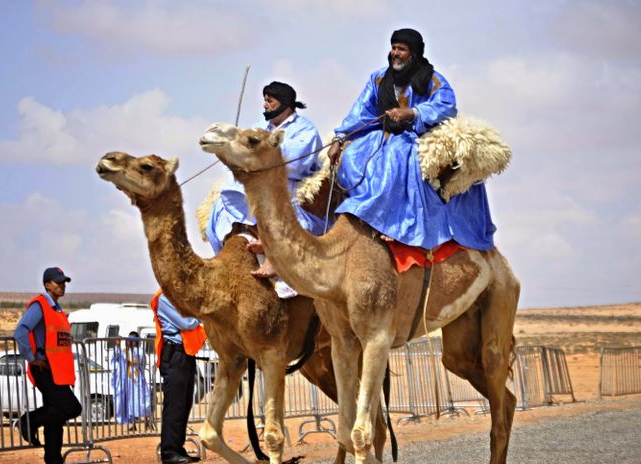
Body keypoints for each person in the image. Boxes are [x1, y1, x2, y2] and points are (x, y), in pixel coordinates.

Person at [327, 28, 496, 252]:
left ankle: (392, 224)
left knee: (395, 158)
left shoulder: (432, 79)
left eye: (402, 49)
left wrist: (413, 113)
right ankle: (364, 215)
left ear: (413, 54)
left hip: (414, 136)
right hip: (381, 134)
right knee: (352, 158)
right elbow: (361, 111)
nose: (395, 53)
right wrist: (340, 137)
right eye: (393, 47)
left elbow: (446, 106)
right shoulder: (378, 78)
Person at [206, 81, 327, 281]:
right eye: (264, 100)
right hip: (258, 179)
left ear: (284, 103)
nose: (264, 105)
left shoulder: (306, 131)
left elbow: (294, 162)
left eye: (269, 100)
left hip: (289, 182)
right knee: (225, 196)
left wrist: (261, 155)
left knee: (271, 200)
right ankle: (255, 239)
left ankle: (273, 252)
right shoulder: (260, 127)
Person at [13, 267, 83, 464]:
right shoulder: (40, 305)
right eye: (57, 282)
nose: (62, 285)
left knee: (55, 420)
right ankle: (29, 421)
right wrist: (32, 358)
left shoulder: (57, 309)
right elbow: (20, 331)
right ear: (47, 285)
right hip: (44, 368)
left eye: (64, 282)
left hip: (56, 370)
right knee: (72, 407)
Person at [150, 290, 203, 464]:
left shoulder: (178, 296)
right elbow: (187, 323)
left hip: (185, 353)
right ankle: (169, 451)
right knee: (175, 404)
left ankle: (177, 447)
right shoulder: (165, 298)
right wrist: (199, 316)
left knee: (184, 403)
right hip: (174, 355)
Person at [110, 331, 152, 430]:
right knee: (130, 402)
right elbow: (116, 357)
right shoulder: (125, 351)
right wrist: (117, 345)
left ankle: (147, 421)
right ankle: (133, 424)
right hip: (127, 381)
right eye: (128, 339)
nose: (129, 341)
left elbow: (139, 361)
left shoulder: (139, 351)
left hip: (137, 380)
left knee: (142, 400)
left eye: (132, 340)